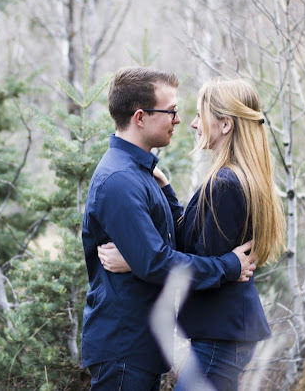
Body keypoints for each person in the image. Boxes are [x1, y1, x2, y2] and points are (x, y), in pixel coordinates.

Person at [99, 77, 285, 390]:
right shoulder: (233, 177)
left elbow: (196, 259)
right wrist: (167, 189)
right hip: (224, 332)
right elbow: (195, 240)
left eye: (201, 115)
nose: (193, 124)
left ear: (225, 124)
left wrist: (136, 261)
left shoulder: (225, 183)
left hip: (221, 336)